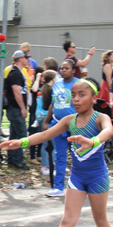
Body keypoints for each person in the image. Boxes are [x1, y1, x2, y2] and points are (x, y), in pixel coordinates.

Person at [1, 77, 113, 227]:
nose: (76, 99)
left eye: (82, 95)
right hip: (77, 177)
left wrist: (93, 141)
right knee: (67, 219)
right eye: (74, 95)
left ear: (94, 98)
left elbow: (109, 130)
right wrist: (21, 142)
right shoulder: (69, 120)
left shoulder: (100, 118)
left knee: (100, 218)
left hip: (97, 177)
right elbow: (45, 135)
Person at [43, 59, 77, 197]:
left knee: (77, 156)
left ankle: (80, 185)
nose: (63, 70)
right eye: (62, 68)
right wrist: (46, 121)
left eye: (66, 68)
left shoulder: (79, 84)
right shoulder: (57, 83)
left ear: (73, 70)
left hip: (75, 125)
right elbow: (53, 104)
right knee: (60, 157)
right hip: (58, 124)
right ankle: (58, 187)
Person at [3, 50, 29, 169]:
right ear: (20, 58)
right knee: (21, 134)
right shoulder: (15, 74)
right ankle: (18, 161)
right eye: (26, 57)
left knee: (14, 134)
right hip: (15, 108)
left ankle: (12, 159)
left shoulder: (18, 72)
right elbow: (17, 93)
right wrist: (23, 108)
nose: (27, 59)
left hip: (14, 108)